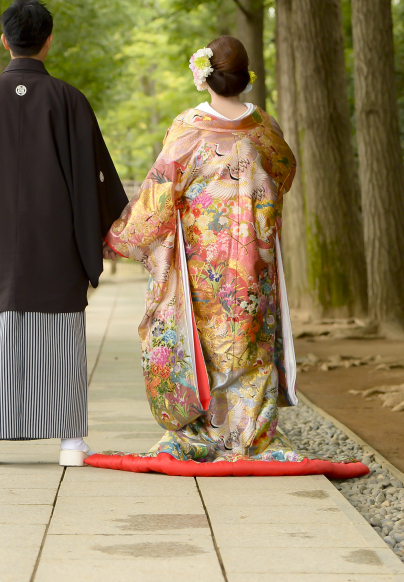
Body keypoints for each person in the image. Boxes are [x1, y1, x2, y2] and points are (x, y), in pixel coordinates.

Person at [91, 36, 367, 479]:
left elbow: (158, 197)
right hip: (253, 259)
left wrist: (117, 235)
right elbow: (285, 172)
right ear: (244, 78)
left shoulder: (187, 129)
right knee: (250, 342)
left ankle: (199, 432)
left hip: (203, 260)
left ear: (202, 77)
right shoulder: (264, 128)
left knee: (201, 342)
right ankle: (250, 435)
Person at [0, 0, 128, 467]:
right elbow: (93, 177)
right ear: (48, 42)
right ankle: (70, 442)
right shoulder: (69, 99)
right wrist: (97, 234)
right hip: (57, 244)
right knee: (60, 337)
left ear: (5, 40)